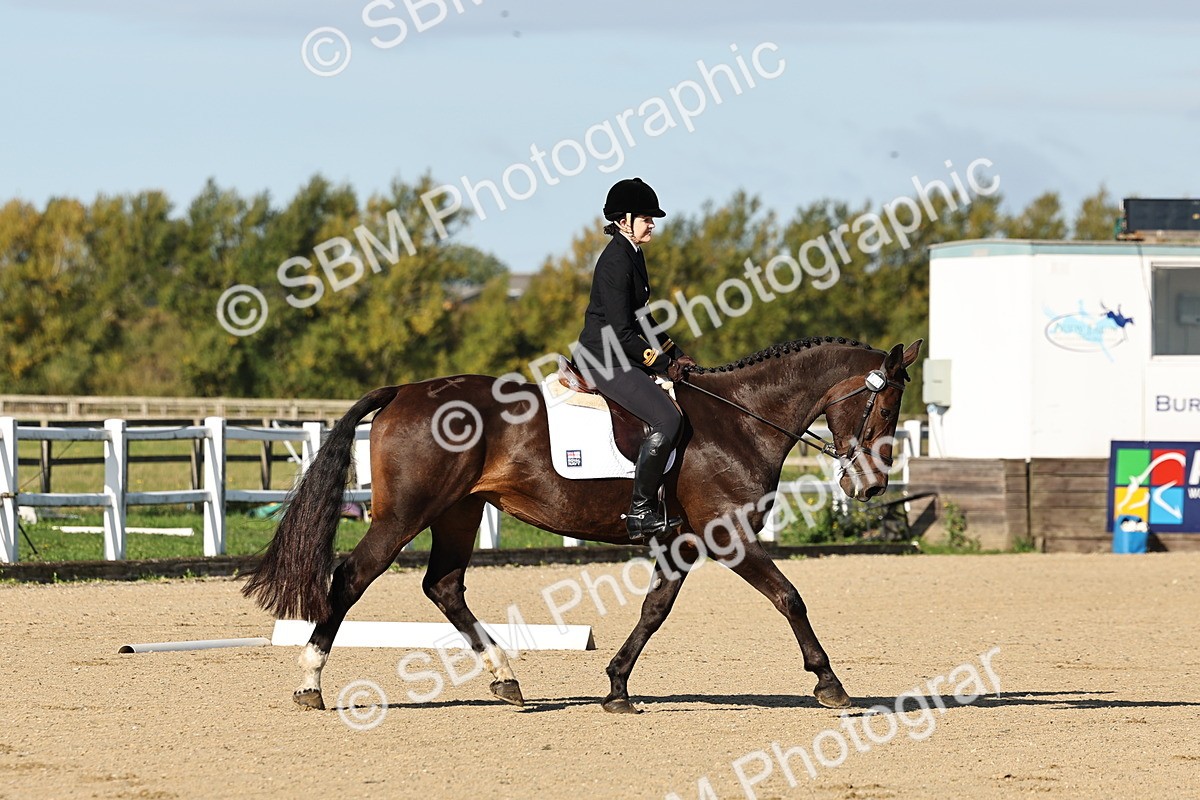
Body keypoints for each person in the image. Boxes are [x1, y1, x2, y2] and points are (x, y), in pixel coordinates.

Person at [573, 178, 697, 541]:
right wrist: (661, 364)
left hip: (620, 354)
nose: (652, 224)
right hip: (604, 358)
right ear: (623, 221)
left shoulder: (633, 254)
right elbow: (622, 332)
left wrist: (676, 354)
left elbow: (644, 317)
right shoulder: (616, 261)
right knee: (668, 418)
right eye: (646, 218)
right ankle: (640, 511)